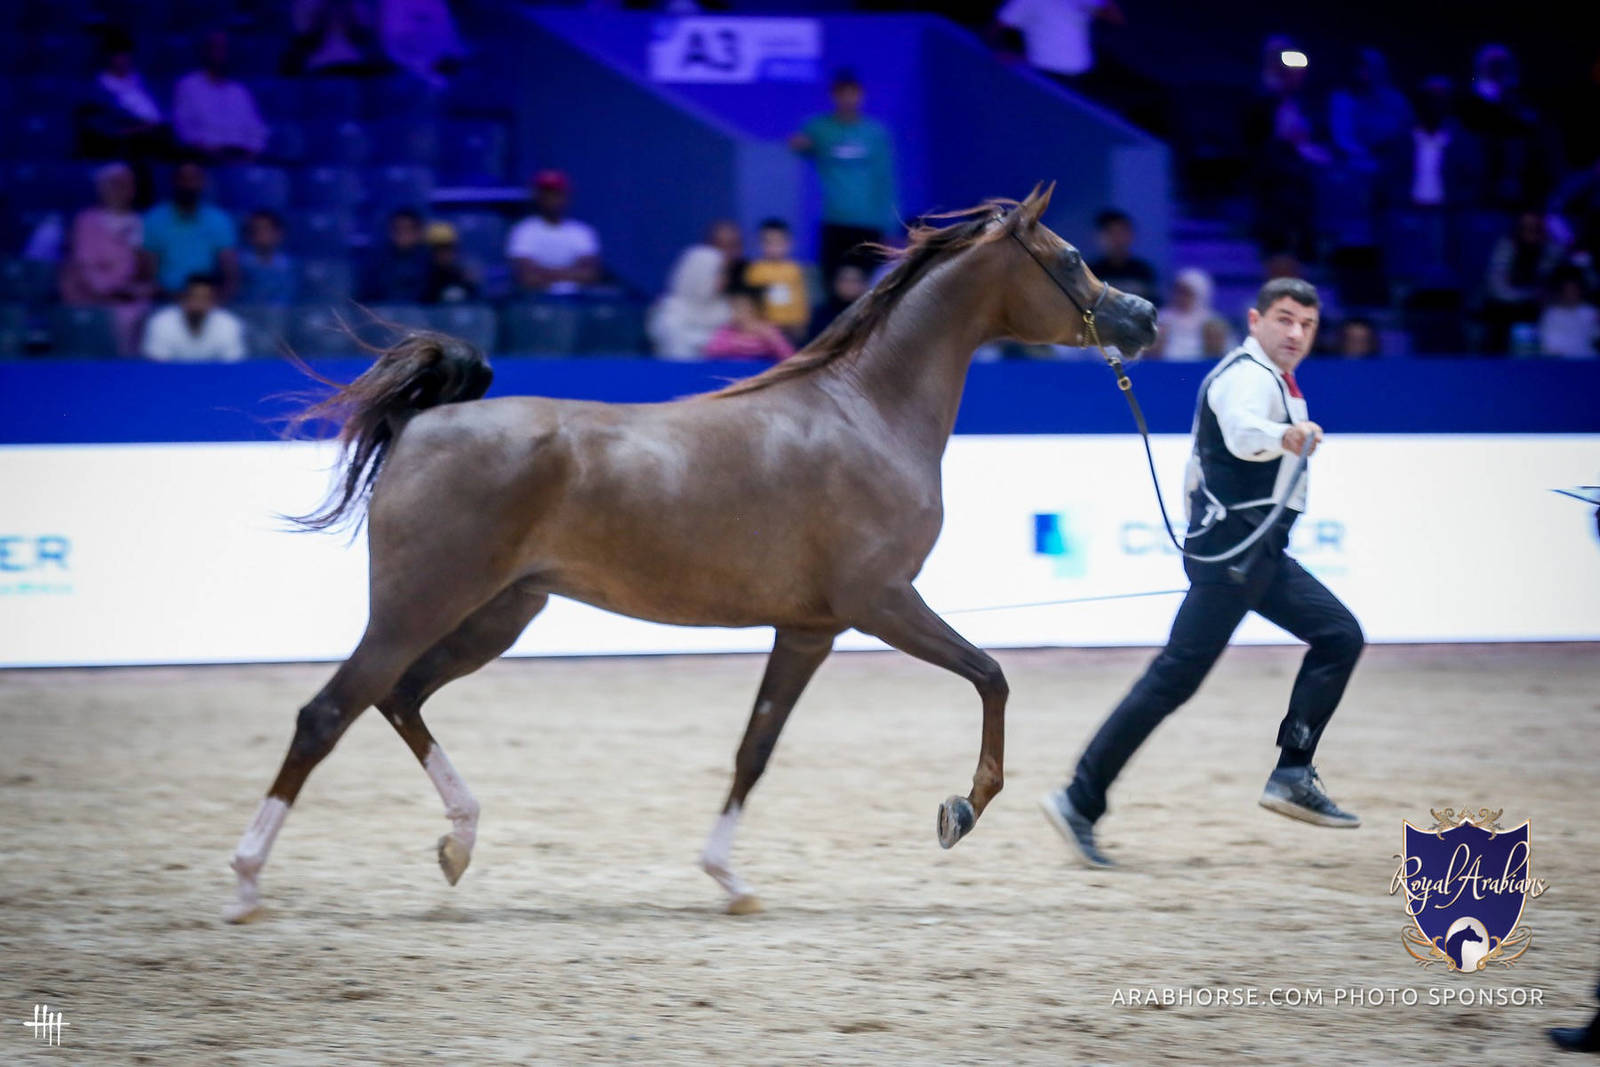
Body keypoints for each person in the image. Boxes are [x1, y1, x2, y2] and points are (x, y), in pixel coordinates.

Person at [1040, 278, 1365, 867]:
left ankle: (1292, 771)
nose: (1296, 333)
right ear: (1255, 319)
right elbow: (1243, 434)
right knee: (1174, 679)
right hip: (1234, 555)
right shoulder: (1246, 376)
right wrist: (1285, 436)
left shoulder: (1270, 376)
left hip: (1254, 552)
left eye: (1308, 325)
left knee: (1338, 636)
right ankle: (1079, 798)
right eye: (1286, 320)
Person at [789, 70, 898, 284]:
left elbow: (886, 179)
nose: (848, 99)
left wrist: (891, 224)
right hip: (834, 219)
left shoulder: (876, 132)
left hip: (869, 222)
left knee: (868, 286)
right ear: (833, 96)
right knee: (832, 283)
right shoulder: (819, 127)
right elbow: (798, 146)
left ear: (861, 96)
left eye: (853, 93)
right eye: (842, 94)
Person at [59, 162, 155, 357]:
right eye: (114, 184)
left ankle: (129, 373)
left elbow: (146, 271)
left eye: (126, 184)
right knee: (110, 318)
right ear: (102, 188)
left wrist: (139, 274)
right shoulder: (86, 221)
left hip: (128, 297)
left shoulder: (141, 222)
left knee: (143, 314)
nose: (121, 189)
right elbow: (85, 267)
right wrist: (108, 293)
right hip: (89, 297)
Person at [141, 161, 238, 298]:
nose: (188, 185)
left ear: (202, 183)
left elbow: (230, 273)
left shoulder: (219, 220)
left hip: (207, 300)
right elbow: (148, 273)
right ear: (174, 182)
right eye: (183, 179)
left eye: (194, 179)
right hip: (163, 299)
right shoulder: (154, 219)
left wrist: (220, 298)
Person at [648, 220, 740, 360]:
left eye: (724, 274)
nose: (724, 280)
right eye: (718, 273)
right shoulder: (669, 313)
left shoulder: (727, 311)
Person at [173, 31, 270, 161]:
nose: (219, 54)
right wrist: (204, 150)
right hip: (204, 157)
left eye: (224, 49)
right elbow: (183, 127)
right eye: (215, 48)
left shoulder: (240, 91)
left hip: (240, 158)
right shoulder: (188, 85)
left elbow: (257, 130)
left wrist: (251, 152)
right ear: (204, 51)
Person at [507, 170, 602, 296]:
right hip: (535, 301)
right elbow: (527, 277)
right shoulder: (524, 230)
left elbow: (590, 275)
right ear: (537, 196)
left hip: (577, 302)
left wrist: (543, 273)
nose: (551, 198)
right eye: (546, 193)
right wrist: (572, 274)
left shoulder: (582, 232)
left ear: (565, 196)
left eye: (556, 193)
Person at [1484, 211, 1561, 352]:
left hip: (1543, 307)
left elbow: (1550, 281)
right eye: (1526, 228)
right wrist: (1526, 296)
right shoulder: (1506, 246)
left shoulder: (1550, 249)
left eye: (1534, 228)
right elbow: (1497, 286)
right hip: (1507, 306)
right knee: (1499, 315)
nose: (1530, 233)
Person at [996, 0, 1122, 82]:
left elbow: (1115, 18)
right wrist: (1000, 51)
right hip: (1037, 71)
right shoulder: (1025, 2)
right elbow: (997, 27)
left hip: (1078, 72)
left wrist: (1099, 8)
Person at [140, 273, 246, 361]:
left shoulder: (229, 324)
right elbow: (156, 367)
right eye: (194, 297)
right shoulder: (161, 323)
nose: (199, 303)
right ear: (182, 298)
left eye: (205, 298)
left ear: (214, 302)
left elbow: (233, 366)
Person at [744, 218, 810, 344]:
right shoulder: (755, 270)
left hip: (790, 325)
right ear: (759, 244)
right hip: (765, 327)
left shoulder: (794, 270)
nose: (774, 247)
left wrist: (800, 323)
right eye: (768, 242)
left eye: (779, 242)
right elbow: (751, 302)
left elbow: (800, 299)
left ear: (789, 244)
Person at [703, 285, 795, 361]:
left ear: (755, 309)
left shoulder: (768, 330)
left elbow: (787, 354)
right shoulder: (727, 330)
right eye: (735, 308)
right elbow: (712, 350)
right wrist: (737, 341)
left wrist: (770, 337)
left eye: (743, 308)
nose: (738, 313)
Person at [1152, 267, 1227, 360]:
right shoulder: (1160, 318)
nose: (1180, 297)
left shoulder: (1213, 322)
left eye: (1186, 293)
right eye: (1178, 291)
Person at [1088, 209, 1158, 304]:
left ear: (1130, 235)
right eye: (1111, 233)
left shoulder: (1143, 271)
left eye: (1121, 232)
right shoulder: (1090, 272)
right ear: (1100, 237)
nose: (1117, 239)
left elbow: (1153, 305)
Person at [361, 207, 430, 303]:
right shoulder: (376, 264)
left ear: (418, 232)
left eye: (408, 229)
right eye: (397, 230)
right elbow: (366, 299)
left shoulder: (433, 263)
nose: (403, 235)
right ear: (390, 232)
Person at [237, 211, 297, 306]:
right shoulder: (238, 264)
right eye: (255, 230)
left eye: (266, 229)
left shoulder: (292, 266)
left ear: (278, 233)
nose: (260, 234)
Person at [1538, 268, 1599, 358]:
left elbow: (1596, 335)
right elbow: (1546, 340)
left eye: (1574, 290)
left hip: (1586, 358)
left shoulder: (1590, 312)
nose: (1571, 294)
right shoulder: (1552, 314)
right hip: (1559, 360)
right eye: (1567, 290)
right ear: (1562, 292)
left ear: (1580, 291)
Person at [421, 221, 480, 304]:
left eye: (447, 248)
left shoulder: (463, 277)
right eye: (438, 249)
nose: (443, 254)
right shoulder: (422, 279)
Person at [809, 263, 869, 341]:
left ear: (864, 285)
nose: (849, 285)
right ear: (835, 283)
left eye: (855, 281)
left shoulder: (872, 314)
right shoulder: (821, 315)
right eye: (845, 280)